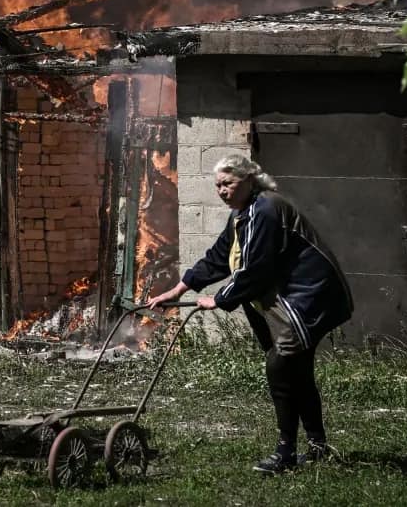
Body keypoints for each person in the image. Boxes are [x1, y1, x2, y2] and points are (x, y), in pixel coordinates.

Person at [148, 153, 352, 474]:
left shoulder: (266, 210)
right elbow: (219, 257)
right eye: (218, 185)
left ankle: (285, 452)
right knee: (297, 370)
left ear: (248, 180)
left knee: (280, 366)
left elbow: (255, 268)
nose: (222, 191)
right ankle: (317, 446)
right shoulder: (243, 213)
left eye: (228, 184)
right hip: (288, 298)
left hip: (308, 296)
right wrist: (178, 291)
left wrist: (219, 299)